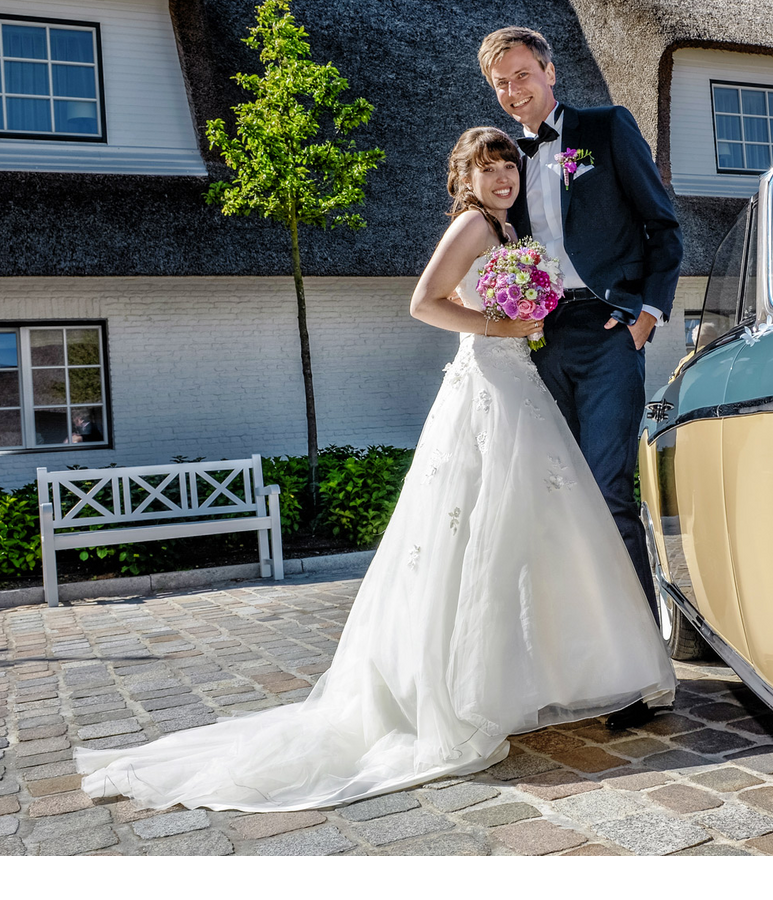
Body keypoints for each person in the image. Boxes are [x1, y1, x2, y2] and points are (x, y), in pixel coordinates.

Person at [73, 128, 676, 812]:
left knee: (526, 533)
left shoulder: (511, 234)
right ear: (465, 180)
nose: (502, 175)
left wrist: (526, 318)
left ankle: (531, 675)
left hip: (518, 385)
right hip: (487, 387)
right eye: (487, 167)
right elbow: (424, 302)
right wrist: (502, 329)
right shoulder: (474, 227)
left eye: (508, 163)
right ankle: (464, 690)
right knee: (480, 534)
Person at [481, 27, 683, 730]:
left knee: (608, 493)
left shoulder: (603, 128)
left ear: (549, 71)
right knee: (561, 504)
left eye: (521, 75)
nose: (513, 91)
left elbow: (664, 228)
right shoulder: (504, 160)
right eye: (501, 84)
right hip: (541, 343)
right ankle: (582, 661)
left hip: (607, 331)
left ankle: (643, 676)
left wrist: (645, 317)